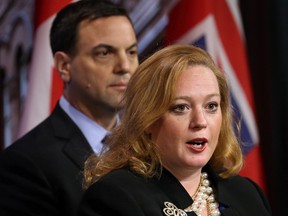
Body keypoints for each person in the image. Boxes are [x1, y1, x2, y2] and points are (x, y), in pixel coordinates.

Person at [78, 44, 271, 216]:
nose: (200, 121)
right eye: (181, 107)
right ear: (147, 120)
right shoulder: (115, 198)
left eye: (211, 106)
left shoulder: (246, 193)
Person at [0, 1, 138, 216]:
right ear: (64, 66)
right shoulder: (24, 164)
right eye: (104, 53)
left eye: (131, 52)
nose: (125, 66)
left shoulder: (151, 142)